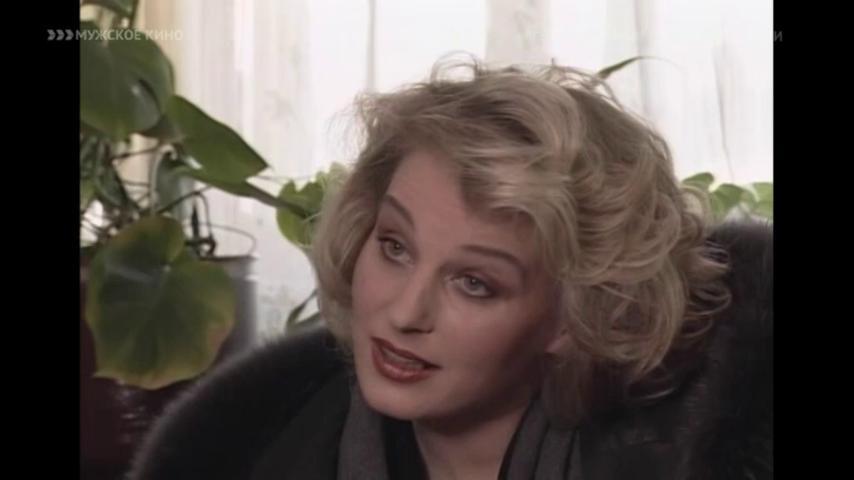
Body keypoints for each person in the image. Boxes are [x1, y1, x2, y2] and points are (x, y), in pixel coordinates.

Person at [129, 56, 773, 480]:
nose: (405, 312)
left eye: (474, 283)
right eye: (395, 247)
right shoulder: (252, 452)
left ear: (574, 316)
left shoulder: (668, 460)